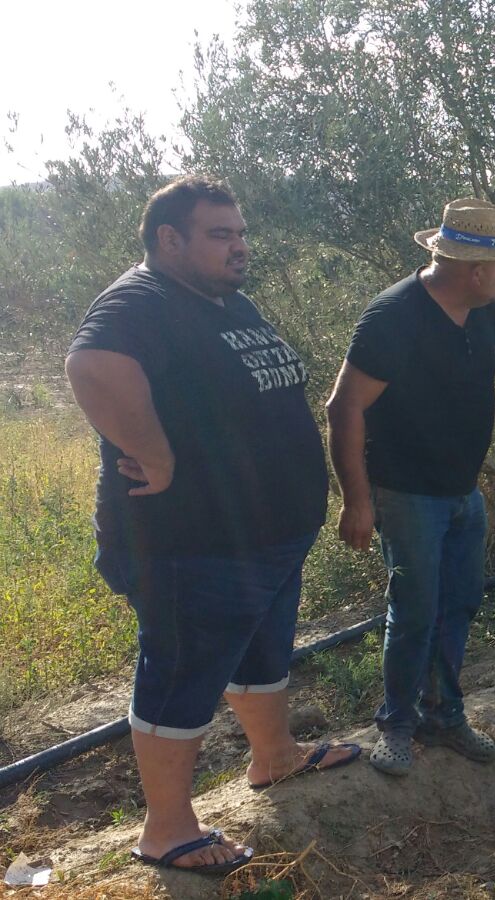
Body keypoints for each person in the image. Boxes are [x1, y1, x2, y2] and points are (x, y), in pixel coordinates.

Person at [66, 176, 359, 876]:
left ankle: (274, 757)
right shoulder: (141, 300)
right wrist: (154, 452)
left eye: (241, 233)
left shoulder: (221, 299)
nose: (240, 246)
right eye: (221, 234)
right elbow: (91, 365)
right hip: (192, 544)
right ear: (170, 240)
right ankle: (168, 828)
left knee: (260, 654)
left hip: (263, 539)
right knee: (183, 672)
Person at [325, 198, 495, 777]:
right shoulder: (393, 318)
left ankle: (444, 715)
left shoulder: (479, 310)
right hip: (408, 494)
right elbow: (344, 408)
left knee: (458, 603)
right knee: (413, 611)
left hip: (463, 492)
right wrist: (356, 501)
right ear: (476, 270)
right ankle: (397, 725)